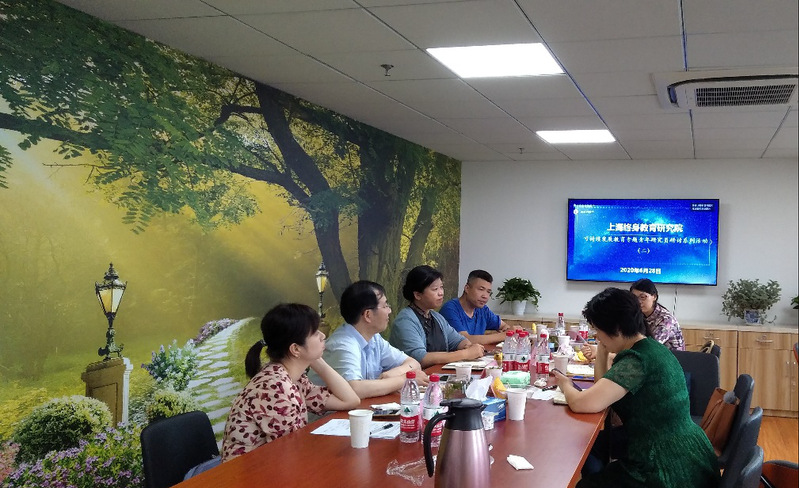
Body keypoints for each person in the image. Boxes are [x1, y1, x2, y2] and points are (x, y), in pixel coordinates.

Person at [553, 288, 719, 488]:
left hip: (666, 466)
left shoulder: (637, 361)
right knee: (596, 447)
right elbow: (602, 389)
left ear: (616, 328)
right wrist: (603, 350)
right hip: (686, 449)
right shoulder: (649, 347)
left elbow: (582, 403)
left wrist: (565, 384)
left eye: (598, 329)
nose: (596, 335)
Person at [221, 303, 359, 461]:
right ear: (295, 349)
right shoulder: (275, 388)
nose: (323, 336)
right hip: (247, 471)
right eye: (315, 333)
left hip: (274, 464)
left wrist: (317, 361)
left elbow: (350, 400)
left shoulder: (293, 378)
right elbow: (292, 454)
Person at [309, 280, 429, 398]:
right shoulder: (343, 344)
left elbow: (413, 364)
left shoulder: (374, 338)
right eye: (385, 306)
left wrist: (391, 375)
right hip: (327, 411)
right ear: (368, 315)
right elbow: (354, 389)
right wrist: (403, 379)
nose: (389, 311)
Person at [389, 265, 486, 368]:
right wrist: (465, 354)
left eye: (441, 287)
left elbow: (458, 340)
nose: (441, 293)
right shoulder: (405, 321)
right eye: (435, 289)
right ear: (417, 295)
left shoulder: (436, 317)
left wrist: (468, 346)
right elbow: (421, 358)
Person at [581, 278, 685, 362]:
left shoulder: (666, 320)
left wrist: (602, 353)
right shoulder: (638, 314)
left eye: (643, 297)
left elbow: (646, 350)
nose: (639, 301)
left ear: (654, 297)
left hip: (671, 365)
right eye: (635, 297)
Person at [439, 269, 515, 345]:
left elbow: (504, 326)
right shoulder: (450, 309)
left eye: (488, 292)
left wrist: (506, 331)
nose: (485, 296)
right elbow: (465, 340)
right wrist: (504, 335)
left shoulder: (483, 310)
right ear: (467, 288)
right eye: (481, 289)